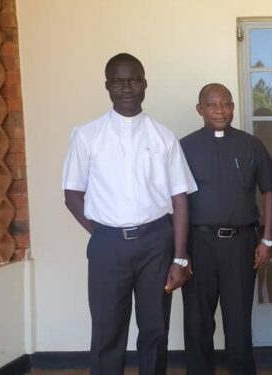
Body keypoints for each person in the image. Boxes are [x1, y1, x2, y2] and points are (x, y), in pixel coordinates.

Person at [62, 53, 197, 374]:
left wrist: (179, 258)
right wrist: (104, 234)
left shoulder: (163, 137)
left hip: (156, 243)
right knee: (108, 331)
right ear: (107, 86)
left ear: (145, 84)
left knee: (154, 330)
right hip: (107, 244)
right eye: (118, 82)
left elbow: (180, 200)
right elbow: (71, 195)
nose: (126, 88)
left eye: (134, 80)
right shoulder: (87, 135)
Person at [180, 83, 272, 375]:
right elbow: (175, 200)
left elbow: (270, 191)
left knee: (238, 322)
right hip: (199, 244)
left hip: (241, 245)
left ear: (233, 107)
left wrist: (267, 238)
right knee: (197, 323)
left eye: (226, 104)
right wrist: (180, 253)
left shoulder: (251, 145)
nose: (220, 110)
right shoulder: (183, 147)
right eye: (212, 104)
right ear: (200, 110)